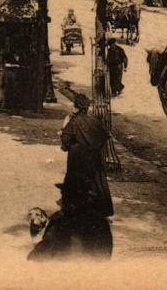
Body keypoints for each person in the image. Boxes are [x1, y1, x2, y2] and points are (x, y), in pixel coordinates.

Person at [59, 94, 113, 233]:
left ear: (77, 107)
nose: (72, 107)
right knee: (97, 182)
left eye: (74, 105)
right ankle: (100, 210)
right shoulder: (94, 120)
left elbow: (66, 141)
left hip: (78, 157)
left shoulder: (74, 121)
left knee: (75, 181)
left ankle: (76, 209)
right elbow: (104, 136)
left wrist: (63, 132)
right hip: (95, 158)